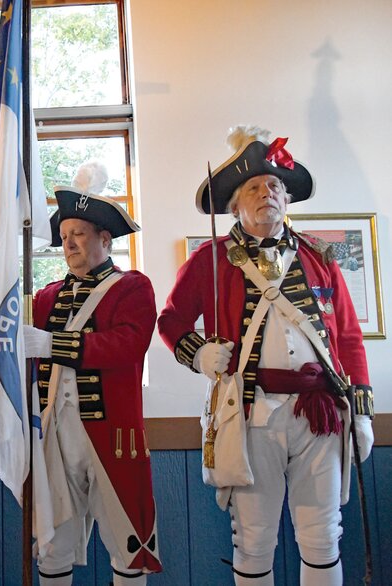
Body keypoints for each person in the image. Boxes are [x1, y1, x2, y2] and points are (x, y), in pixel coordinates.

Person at [158, 126, 374, 586]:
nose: (267, 193)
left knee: (322, 537)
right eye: (254, 187)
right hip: (251, 413)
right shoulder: (209, 260)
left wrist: (361, 412)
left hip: (321, 412)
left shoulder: (320, 257)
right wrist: (199, 355)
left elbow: (349, 340)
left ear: (287, 199)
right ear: (236, 204)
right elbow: (171, 322)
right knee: (253, 540)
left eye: (275, 185)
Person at [15, 161, 162, 584]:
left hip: (113, 435)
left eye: (78, 234)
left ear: (104, 238)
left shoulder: (133, 287)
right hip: (54, 435)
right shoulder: (45, 297)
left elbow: (128, 344)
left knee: (127, 546)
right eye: (64, 236)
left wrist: (52, 344)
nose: (69, 243)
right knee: (52, 547)